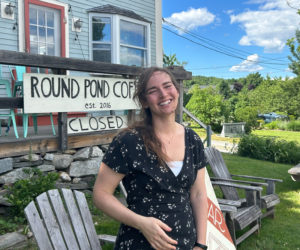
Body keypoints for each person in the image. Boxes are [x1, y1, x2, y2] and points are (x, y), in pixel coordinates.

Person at [93, 67, 208, 250]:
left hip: (186, 243)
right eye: (153, 91)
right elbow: (100, 195)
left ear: (176, 90)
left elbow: (199, 194)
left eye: (167, 86)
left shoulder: (192, 140)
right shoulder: (128, 141)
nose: (163, 94)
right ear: (145, 101)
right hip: (139, 243)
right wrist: (142, 223)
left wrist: (201, 244)